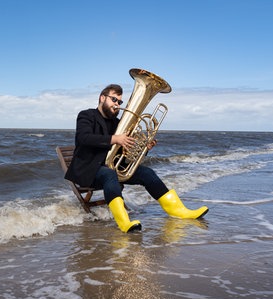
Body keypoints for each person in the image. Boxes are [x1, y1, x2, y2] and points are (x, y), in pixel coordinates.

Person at [64, 84, 208, 233]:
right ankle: (124, 222)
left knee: (147, 173)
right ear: (102, 98)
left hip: (111, 167)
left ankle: (179, 211)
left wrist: (143, 147)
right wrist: (115, 138)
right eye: (114, 99)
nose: (117, 104)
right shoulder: (86, 115)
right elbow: (84, 138)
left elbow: (125, 153)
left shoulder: (117, 123)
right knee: (109, 174)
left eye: (120, 102)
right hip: (88, 170)